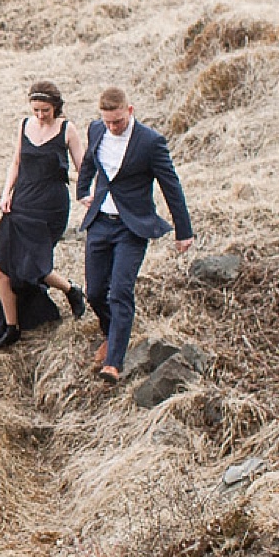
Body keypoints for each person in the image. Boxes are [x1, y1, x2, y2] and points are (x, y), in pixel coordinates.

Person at [76, 87, 196, 382]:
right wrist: (82, 192)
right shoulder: (96, 130)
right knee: (94, 291)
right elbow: (90, 161)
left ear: (130, 111)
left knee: (120, 291)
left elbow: (171, 185)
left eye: (117, 121)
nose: (112, 127)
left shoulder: (150, 142)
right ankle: (111, 333)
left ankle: (114, 363)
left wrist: (184, 231)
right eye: (108, 122)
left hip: (132, 226)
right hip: (100, 222)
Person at [0, 81, 88, 347]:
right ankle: (12, 327)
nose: (41, 116)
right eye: (36, 110)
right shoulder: (24, 126)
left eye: (45, 110)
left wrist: (86, 195)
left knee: (30, 264)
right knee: (5, 264)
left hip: (50, 206)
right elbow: (16, 162)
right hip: (22, 199)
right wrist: (5, 193)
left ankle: (70, 290)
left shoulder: (68, 130)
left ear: (55, 107)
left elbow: (84, 169)